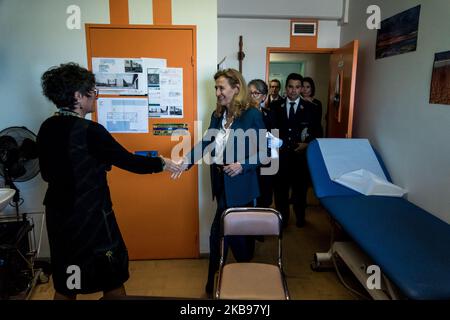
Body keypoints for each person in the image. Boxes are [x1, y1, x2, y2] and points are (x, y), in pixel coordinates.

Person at [37, 63, 179, 300]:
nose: (96, 97)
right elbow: (129, 162)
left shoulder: (46, 128)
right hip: (91, 216)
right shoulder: (90, 131)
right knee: (111, 278)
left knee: (66, 283)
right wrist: (162, 163)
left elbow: (46, 174)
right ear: (77, 96)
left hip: (58, 216)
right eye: (93, 92)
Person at [174, 69, 266, 297]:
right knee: (223, 236)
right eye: (216, 88)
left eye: (221, 87)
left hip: (242, 187)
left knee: (230, 238)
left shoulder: (252, 115)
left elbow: (265, 152)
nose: (217, 92)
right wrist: (184, 162)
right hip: (222, 185)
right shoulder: (218, 116)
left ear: (236, 89)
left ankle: (230, 284)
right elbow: (204, 143)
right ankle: (216, 283)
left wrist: (242, 165)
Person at [271, 73, 322, 228]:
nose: (293, 91)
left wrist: (307, 145)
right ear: (286, 88)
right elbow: (270, 131)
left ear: (301, 89)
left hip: (301, 158)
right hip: (281, 157)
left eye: (297, 87)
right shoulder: (275, 106)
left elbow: (317, 133)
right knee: (281, 192)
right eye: (291, 87)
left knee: (300, 192)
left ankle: (300, 217)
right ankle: (283, 220)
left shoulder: (311, 108)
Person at [248, 79, 274, 208]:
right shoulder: (240, 115)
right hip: (246, 162)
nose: (252, 97)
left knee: (264, 199)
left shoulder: (269, 115)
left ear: (264, 97)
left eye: (256, 93)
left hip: (265, 162)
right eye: (249, 93)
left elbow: (274, 140)